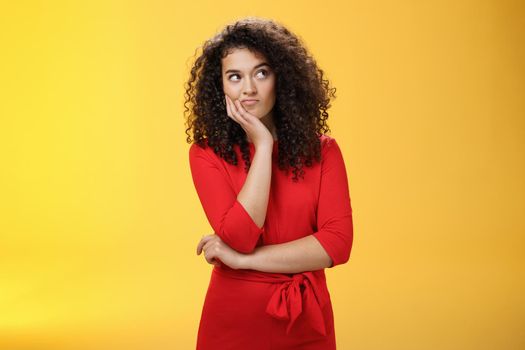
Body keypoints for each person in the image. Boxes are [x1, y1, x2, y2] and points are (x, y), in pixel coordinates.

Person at [184, 16, 354, 350]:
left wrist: (244, 261)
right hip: (234, 323)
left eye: (261, 73)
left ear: (282, 78)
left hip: (306, 322)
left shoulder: (324, 151)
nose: (248, 88)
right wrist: (263, 146)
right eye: (235, 77)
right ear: (220, 87)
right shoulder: (206, 154)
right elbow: (241, 236)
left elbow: (337, 245)